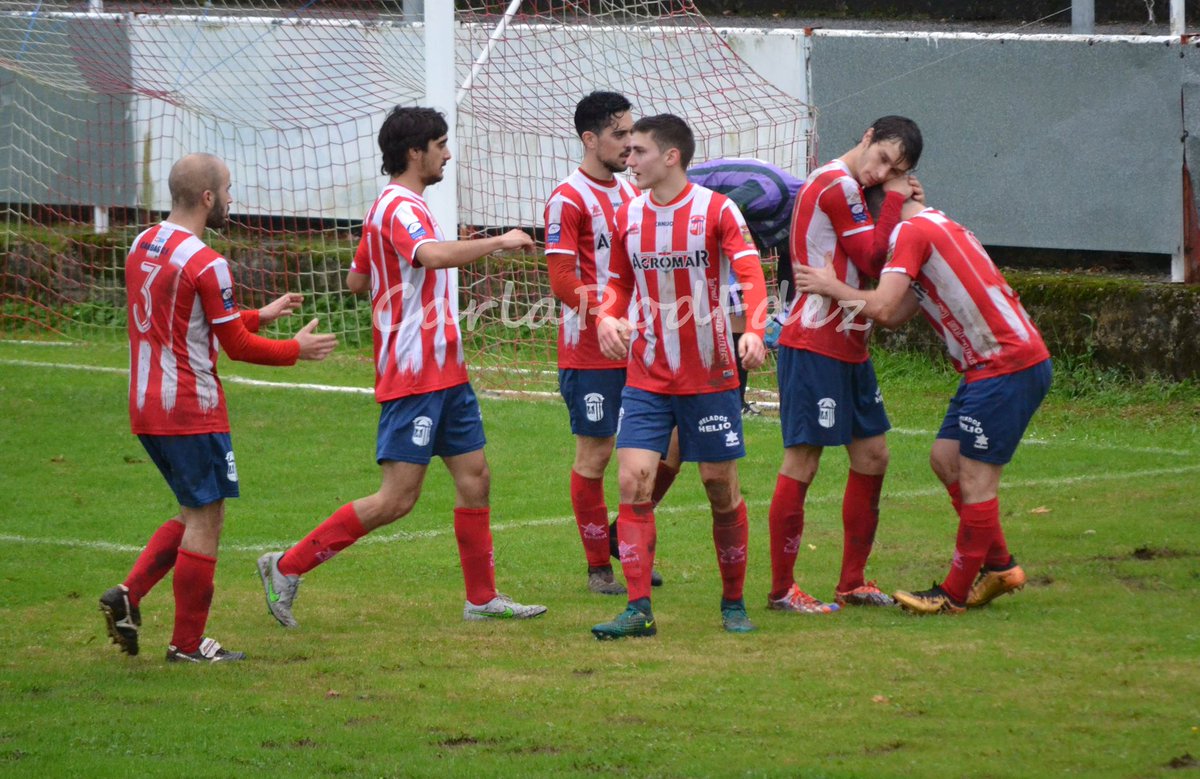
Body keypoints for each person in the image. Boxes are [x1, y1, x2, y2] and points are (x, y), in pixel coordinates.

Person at [256, 106, 547, 628]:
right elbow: (429, 257)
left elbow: (357, 281)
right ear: (415, 153)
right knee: (396, 500)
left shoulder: (390, 208)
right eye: (440, 145)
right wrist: (499, 241)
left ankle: (481, 599)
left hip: (446, 370)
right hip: (413, 374)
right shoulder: (400, 209)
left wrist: (392, 282)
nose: (447, 154)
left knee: (475, 478)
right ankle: (285, 566)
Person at [99, 153, 338, 663]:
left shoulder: (142, 243)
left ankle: (128, 595)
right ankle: (187, 645)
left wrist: (260, 313)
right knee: (207, 521)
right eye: (227, 189)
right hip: (190, 408)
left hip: (145, 405)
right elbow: (236, 347)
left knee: (192, 512)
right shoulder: (208, 262)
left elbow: (193, 318)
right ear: (208, 198)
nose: (231, 197)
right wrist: (298, 350)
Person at [794, 197, 1051, 614]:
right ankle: (1000, 565)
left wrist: (829, 285)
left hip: (1004, 364)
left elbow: (879, 306)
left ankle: (952, 594)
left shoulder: (911, 232)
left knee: (976, 481)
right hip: (985, 366)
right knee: (945, 459)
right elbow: (892, 315)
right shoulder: (938, 226)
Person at [591, 114, 769, 639]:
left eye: (638, 151)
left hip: (711, 374)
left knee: (719, 486)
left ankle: (733, 602)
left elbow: (751, 274)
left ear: (671, 156)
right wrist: (606, 316)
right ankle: (638, 608)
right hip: (646, 373)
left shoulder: (717, 210)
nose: (629, 160)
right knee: (632, 481)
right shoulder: (628, 215)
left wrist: (754, 329)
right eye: (626, 151)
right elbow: (619, 283)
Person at [767, 116, 924, 615]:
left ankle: (851, 581)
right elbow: (873, 256)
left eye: (895, 170)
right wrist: (899, 198)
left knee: (873, 455)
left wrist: (896, 199)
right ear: (867, 137)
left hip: (852, 344)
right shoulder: (834, 183)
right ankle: (781, 590)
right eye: (882, 159)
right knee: (804, 460)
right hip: (814, 340)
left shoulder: (855, 188)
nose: (881, 174)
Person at [544, 91, 673, 596]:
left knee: (663, 449)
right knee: (595, 457)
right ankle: (599, 567)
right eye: (619, 134)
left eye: (631, 133)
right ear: (590, 139)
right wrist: (604, 316)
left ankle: (627, 540)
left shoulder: (631, 195)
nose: (629, 143)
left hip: (640, 349)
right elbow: (560, 279)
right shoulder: (568, 197)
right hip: (591, 351)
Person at [687, 159, 805, 416]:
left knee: (736, 309)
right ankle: (722, 397)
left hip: (709, 228)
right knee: (733, 307)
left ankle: (732, 401)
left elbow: (790, 262)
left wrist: (787, 312)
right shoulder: (770, 193)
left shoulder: (798, 214)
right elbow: (720, 214)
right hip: (687, 217)